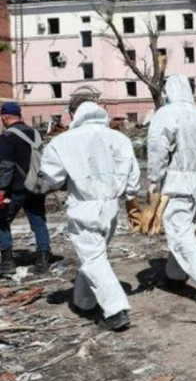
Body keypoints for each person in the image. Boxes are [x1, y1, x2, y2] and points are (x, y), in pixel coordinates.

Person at [40, 96, 140, 331]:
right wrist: (129, 195)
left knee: (93, 258)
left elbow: (52, 178)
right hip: (111, 205)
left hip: (84, 204)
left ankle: (116, 311)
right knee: (96, 255)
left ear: (74, 114)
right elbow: (132, 174)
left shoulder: (62, 142)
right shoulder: (120, 138)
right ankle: (84, 301)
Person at [147, 74, 196, 303]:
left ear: (169, 90)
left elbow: (157, 148)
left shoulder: (165, 114)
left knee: (177, 231)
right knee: (184, 229)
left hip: (175, 179)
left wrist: (153, 179)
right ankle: (175, 275)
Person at [0, 102, 51, 274]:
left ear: (5, 117)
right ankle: (43, 260)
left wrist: (1, 189)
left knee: (2, 221)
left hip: (16, 188)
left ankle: (7, 263)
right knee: (38, 221)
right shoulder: (35, 133)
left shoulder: (7, 136)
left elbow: (6, 166)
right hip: (36, 185)